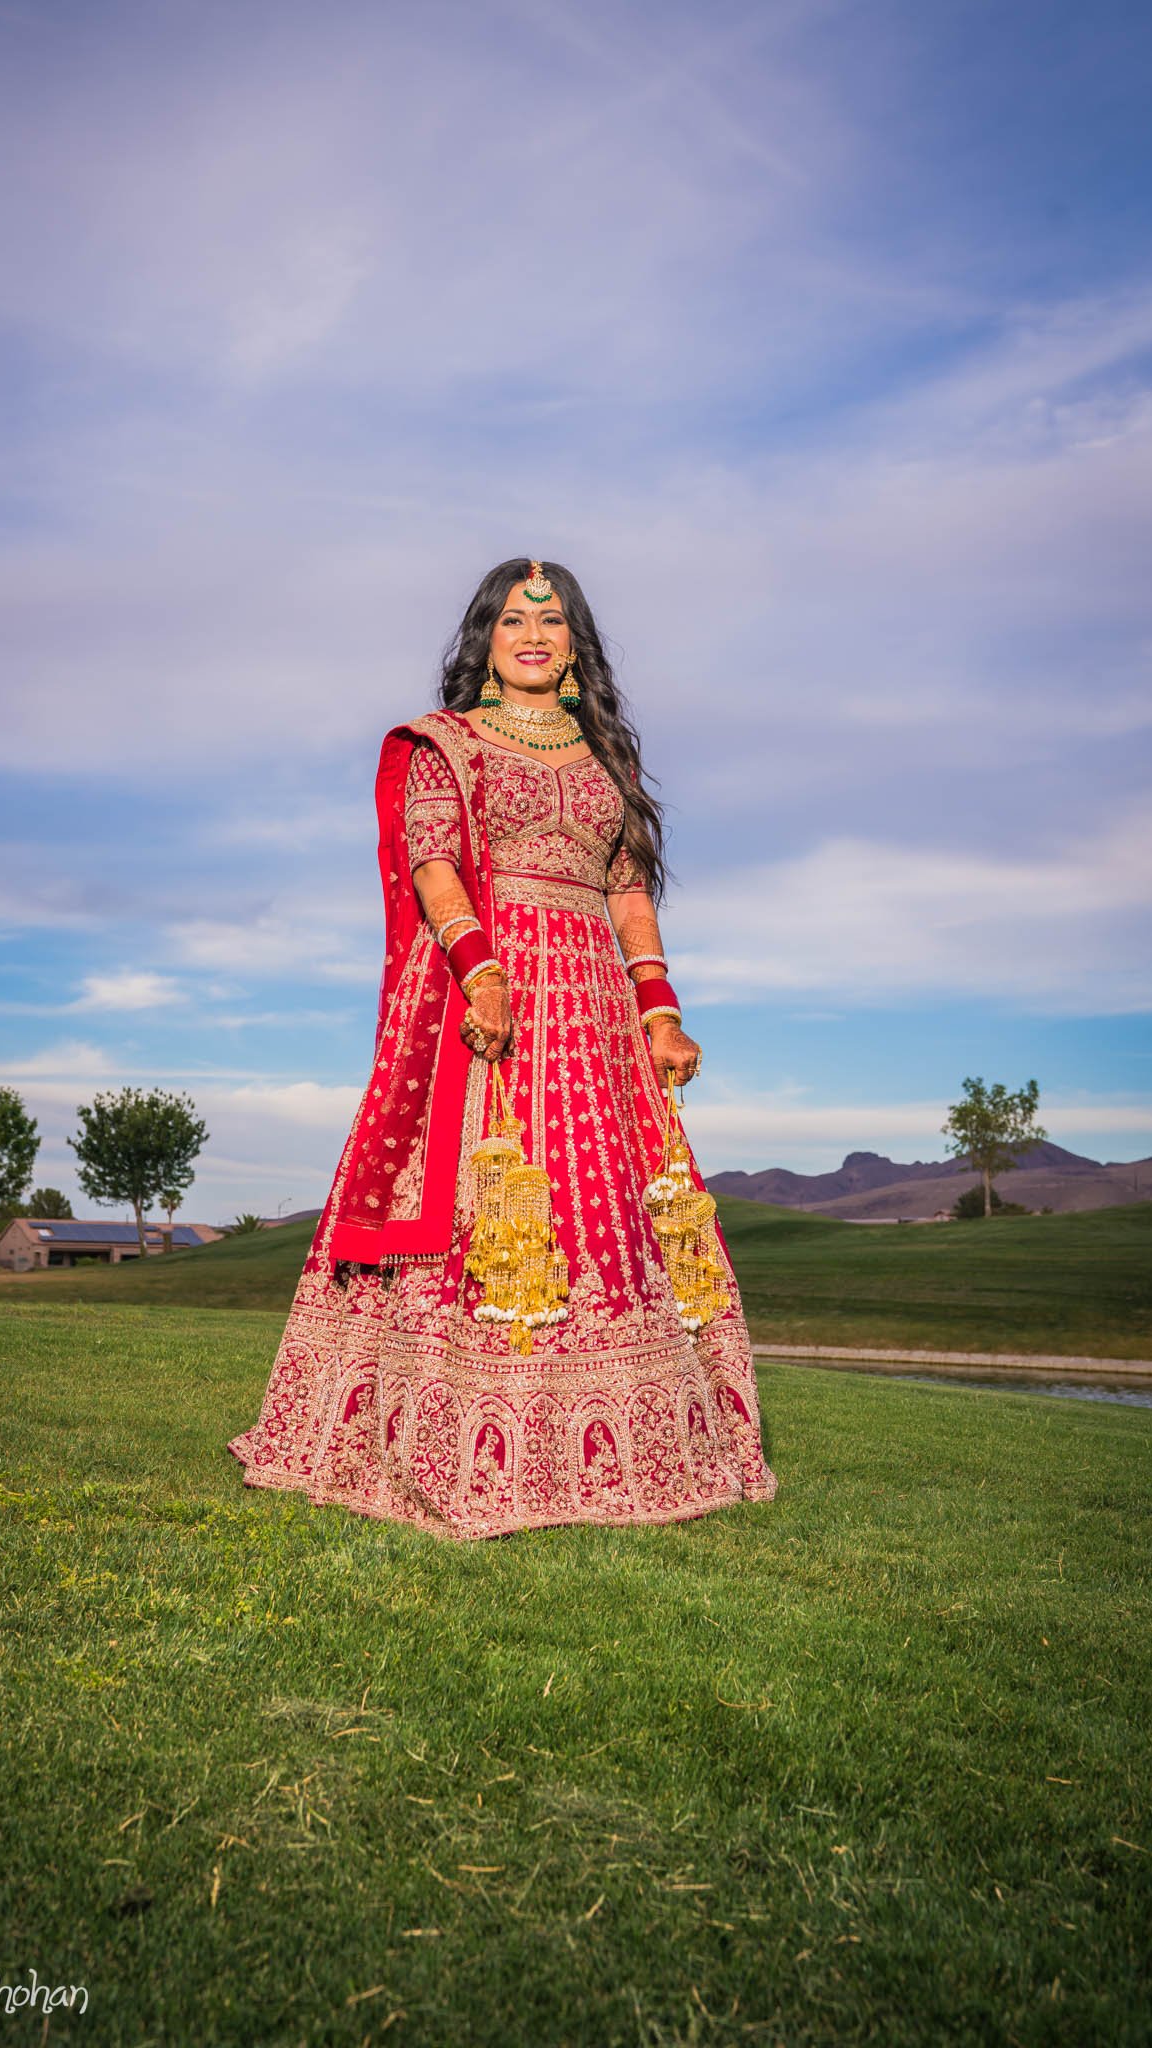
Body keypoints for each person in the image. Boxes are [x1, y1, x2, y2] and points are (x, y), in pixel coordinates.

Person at [227, 558, 778, 1538]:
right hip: (495, 999)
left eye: (554, 620)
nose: (535, 634)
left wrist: (660, 1011)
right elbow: (433, 863)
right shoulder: (448, 744)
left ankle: (630, 1445)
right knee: (492, 1207)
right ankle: (439, 1440)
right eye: (516, 619)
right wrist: (481, 972)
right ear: (485, 637)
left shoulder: (609, 759)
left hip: (596, 1014)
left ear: (576, 645)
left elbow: (627, 889)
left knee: (611, 1208)